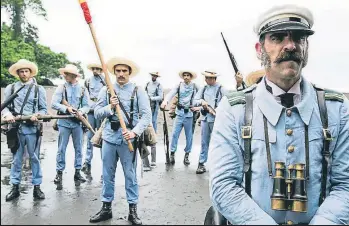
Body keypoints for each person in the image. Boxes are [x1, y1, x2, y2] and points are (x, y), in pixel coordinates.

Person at [208, 4, 349, 225]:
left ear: (306, 47)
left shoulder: (336, 108)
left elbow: (345, 184)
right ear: (259, 49)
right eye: (277, 38)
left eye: (299, 37)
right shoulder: (234, 109)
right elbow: (223, 185)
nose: (290, 45)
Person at [89, 57, 151, 225]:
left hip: (128, 140)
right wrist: (109, 107)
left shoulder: (138, 91)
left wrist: (134, 133)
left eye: (124, 71)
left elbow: (146, 116)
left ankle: (132, 210)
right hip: (109, 138)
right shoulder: (106, 90)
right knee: (107, 175)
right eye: (118, 71)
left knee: (130, 176)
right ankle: (106, 208)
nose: (121, 74)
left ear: (129, 73)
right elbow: (96, 113)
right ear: (114, 72)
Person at [2, 59, 47, 201]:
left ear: (30, 72)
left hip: (33, 129)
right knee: (16, 159)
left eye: (26, 71)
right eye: (21, 71)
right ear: (17, 73)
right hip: (16, 129)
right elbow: (5, 107)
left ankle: (37, 187)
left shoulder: (39, 89)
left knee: (34, 158)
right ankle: (15, 187)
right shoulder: (11, 88)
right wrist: (8, 115)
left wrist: (37, 116)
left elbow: (43, 109)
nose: (24, 74)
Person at [51, 64, 90, 186]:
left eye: (67, 74)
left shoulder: (83, 89)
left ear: (73, 75)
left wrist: (81, 112)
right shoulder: (61, 88)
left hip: (77, 123)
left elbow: (87, 106)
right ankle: (59, 173)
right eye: (65, 73)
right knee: (61, 148)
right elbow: (54, 103)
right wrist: (66, 109)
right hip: (64, 122)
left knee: (79, 148)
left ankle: (77, 172)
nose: (65, 76)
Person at [160, 71, 199, 166]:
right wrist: (165, 102)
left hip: (189, 114)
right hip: (179, 113)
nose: (186, 77)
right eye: (184, 75)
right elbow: (171, 93)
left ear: (191, 77)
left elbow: (201, 96)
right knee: (174, 134)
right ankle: (172, 153)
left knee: (189, 136)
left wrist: (199, 107)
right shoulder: (179, 85)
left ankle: (187, 155)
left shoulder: (195, 86)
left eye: (188, 76)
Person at [193, 70, 227, 174]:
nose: (207, 79)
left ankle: (220, 165)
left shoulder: (221, 89)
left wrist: (217, 110)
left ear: (214, 78)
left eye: (209, 78)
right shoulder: (203, 88)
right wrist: (202, 102)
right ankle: (201, 163)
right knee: (204, 142)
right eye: (206, 77)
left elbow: (227, 102)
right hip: (205, 118)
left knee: (219, 142)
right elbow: (195, 100)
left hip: (217, 119)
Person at [81, 63, 106, 175]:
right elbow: (85, 96)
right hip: (91, 111)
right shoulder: (87, 81)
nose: (95, 70)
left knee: (102, 137)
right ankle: (87, 162)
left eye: (98, 69)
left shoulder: (105, 81)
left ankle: (105, 163)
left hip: (101, 112)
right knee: (90, 137)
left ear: (101, 70)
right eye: (94, 69)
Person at [143, 72, 163, 169]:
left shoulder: (159, 85)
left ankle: (153, 160)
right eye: (153, 75)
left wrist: (151, 98)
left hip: (154, 108)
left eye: (155, 76)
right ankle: (145, 162)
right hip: (146, 107)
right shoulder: (147, 84)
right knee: (143, 135)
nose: (154, 77)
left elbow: (160, 97)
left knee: (153, 133)